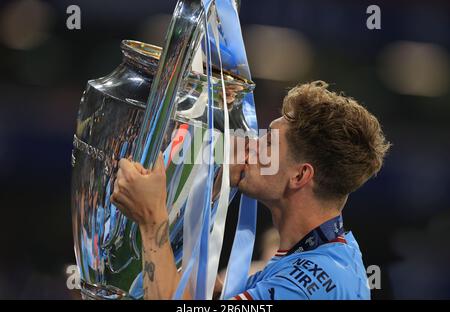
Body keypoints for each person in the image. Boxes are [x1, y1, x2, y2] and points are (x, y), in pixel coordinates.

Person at [110, 81, 391, 300]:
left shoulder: (309, 283)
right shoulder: (322, 258)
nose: (252, 146)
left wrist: (151, 219)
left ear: (300, 175)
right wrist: (214, 194)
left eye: (268, 143)